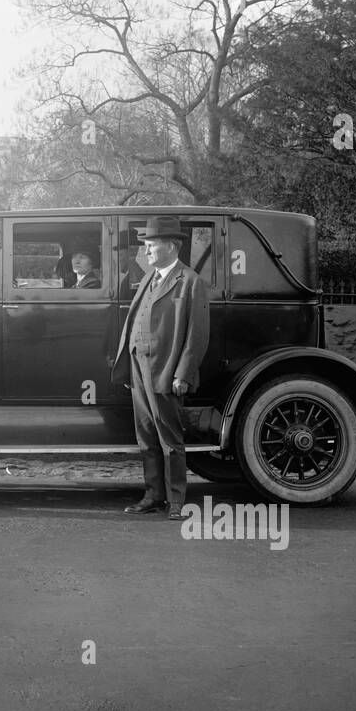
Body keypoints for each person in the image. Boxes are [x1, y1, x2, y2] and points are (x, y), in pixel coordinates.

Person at [110, 215, 210, 518]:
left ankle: (176, 502)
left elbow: (197, 334)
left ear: (170, 245)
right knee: (146, 436)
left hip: (165, 370)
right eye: (147, 246)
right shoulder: (149, 279)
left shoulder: (190, 281)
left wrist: (183, 373)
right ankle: (153, 496)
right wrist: (129, 367)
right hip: (139, 368)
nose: (147, 251)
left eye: (151, 246)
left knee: (169, 438)